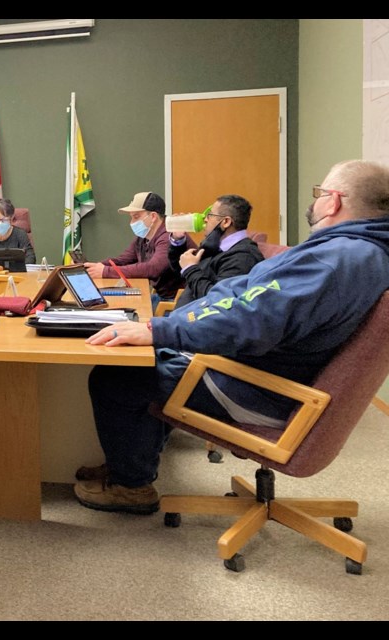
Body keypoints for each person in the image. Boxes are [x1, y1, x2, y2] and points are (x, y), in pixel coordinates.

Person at [72, 160, 389, 515]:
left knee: (119, 376)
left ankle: (131, 485)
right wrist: (174, 325)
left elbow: (250, 319)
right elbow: (242, 293)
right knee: (145, 361)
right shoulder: (357, 253)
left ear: (332, 201)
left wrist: (157, 329)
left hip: (258, 388)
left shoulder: (338, 258)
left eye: (318, 194)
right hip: (260, 372)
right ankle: (131, 468)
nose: (314, 203)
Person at [83, 192, 189, 308]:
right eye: (131, 217)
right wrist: (93, 267)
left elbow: (153, 268)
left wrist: (106, 271)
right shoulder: (143, 238)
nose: (132, 222)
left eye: (136, 217)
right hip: (162, 297)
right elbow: (123, 260)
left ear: (153, 216)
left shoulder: (169, 234)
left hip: (178, 304)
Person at [167, 194, 264, 310]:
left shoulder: (243, 257)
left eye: (210, 215)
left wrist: (191, 269)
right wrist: (178, 240)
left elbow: (217, 301)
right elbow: (181, 271)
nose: (206, 219)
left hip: (200, 325)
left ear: (226, 222)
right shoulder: (216, 246)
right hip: (183, 319)